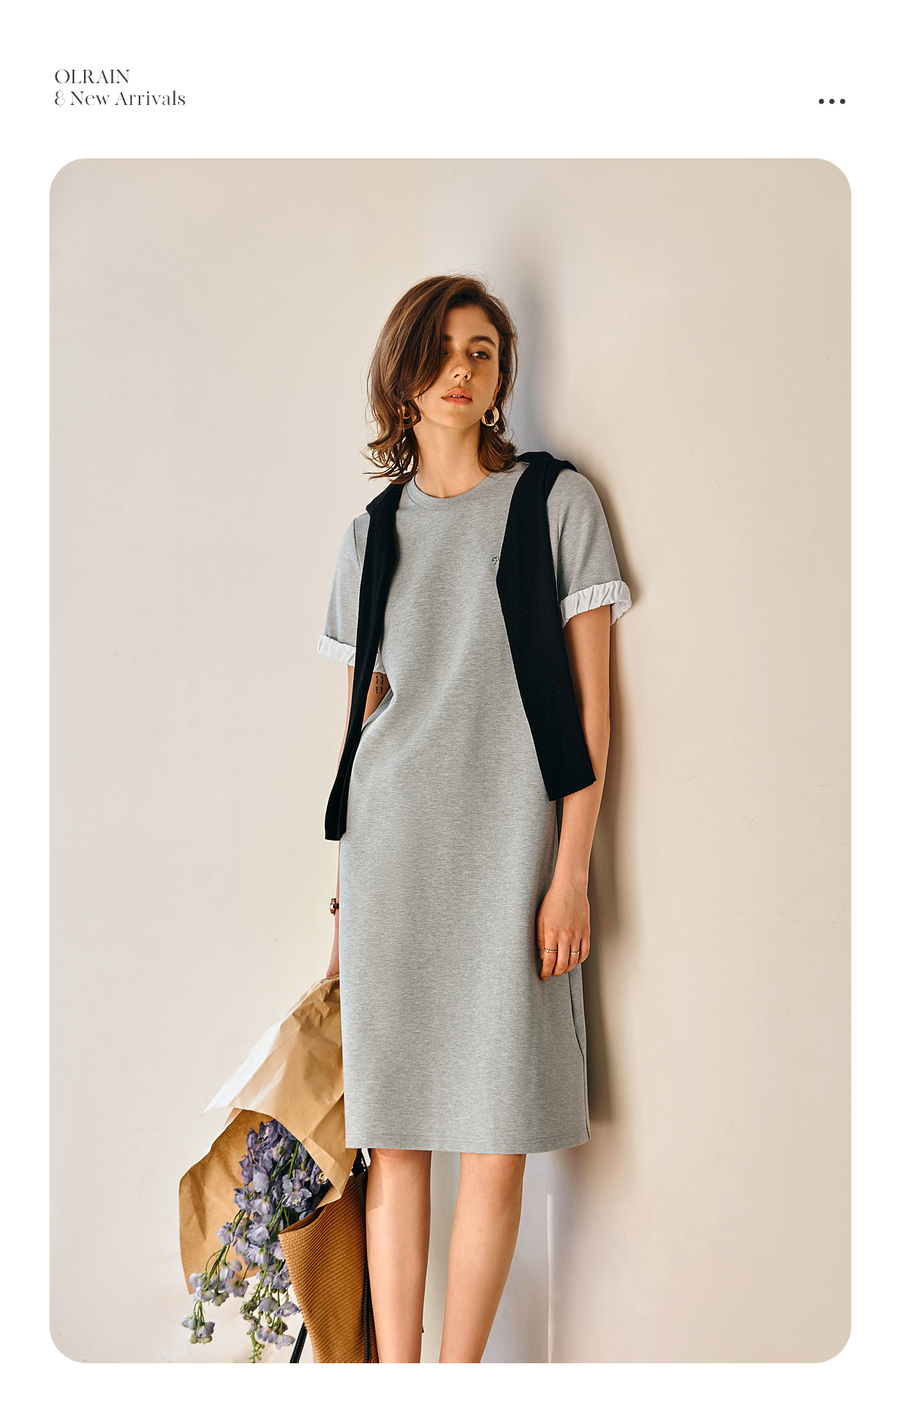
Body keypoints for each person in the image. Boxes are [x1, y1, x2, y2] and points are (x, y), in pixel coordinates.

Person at [318, 274, 631, 1362]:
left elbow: (592, 711)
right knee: (395, 1139)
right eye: (442, 351)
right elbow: (360, 728)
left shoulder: (555, 502)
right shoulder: (370, 534)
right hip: (392, 856)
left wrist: (571, 869)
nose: (463, 369)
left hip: (512, 855)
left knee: (498, 1137)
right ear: (403, 376)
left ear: (501, 378)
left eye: (483, 351)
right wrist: (341, 903)